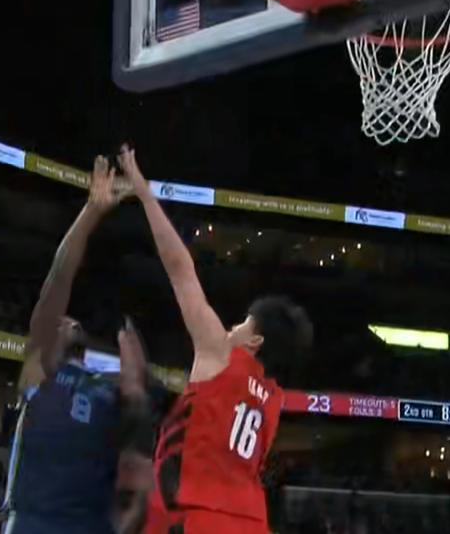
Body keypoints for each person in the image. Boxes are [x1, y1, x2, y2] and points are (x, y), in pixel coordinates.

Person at [116, 145, 313, 534]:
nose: (231, 328)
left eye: (242, 323)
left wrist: (143, 191)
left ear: (255, 342)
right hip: (252, 521)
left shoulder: (220, 353)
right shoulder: (274, 401)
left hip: (200, 516)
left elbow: (180, 269)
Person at [2, 156, 152, 534]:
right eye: (60, 321)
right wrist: (91, 212)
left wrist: (137, 391)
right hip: (33, 524)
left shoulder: (113, 390)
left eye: (70, 321)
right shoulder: (38, 373)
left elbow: (138, 473)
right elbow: (57, 282)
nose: (65, 321)